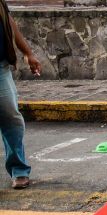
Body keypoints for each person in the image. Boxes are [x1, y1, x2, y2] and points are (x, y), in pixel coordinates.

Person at [0, 0, 40, 189]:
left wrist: (28, 53)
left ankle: (19, 170)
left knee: (11, 117)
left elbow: (9, 22)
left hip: (0, 68)